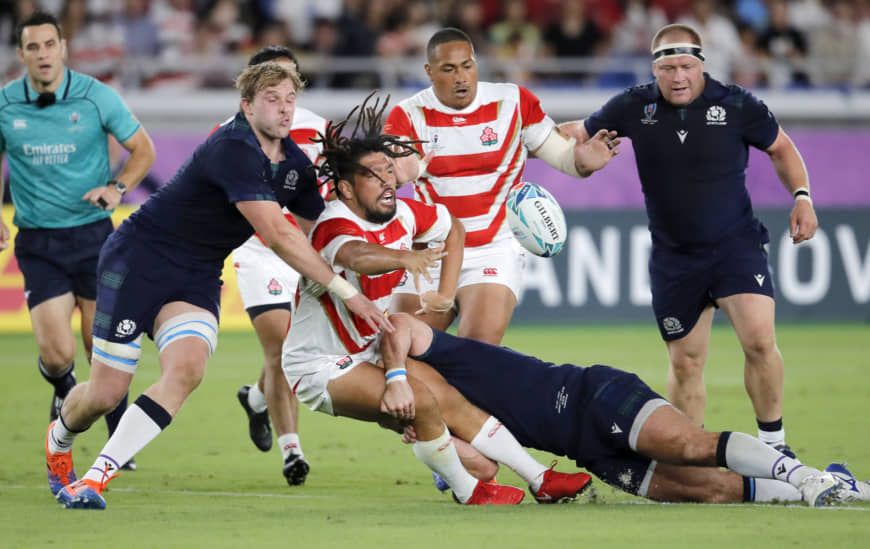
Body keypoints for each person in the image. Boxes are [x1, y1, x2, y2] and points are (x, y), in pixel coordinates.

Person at [46, 61, 391, 510]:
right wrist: (348, 293)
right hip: (138, 260)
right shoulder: (232, 147)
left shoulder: (295, 165)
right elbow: (278, 234)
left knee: (187, 370)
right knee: (105, 392)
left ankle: (94, 479)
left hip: (198, 273)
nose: (285, 109)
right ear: (246, 106)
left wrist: (379, 201)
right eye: (272, 99)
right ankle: (59, 440)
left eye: (290, 99)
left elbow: (316, 230)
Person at [280, 95, 594, 505]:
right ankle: (470, 493)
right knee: (424, 404)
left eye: (390, 170)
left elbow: (455, 229)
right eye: (374, 175)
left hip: (371, 348)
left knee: (452, 403)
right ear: (345, 188)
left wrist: (445, 294)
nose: (388, 181)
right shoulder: (332, 224)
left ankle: (540, 480)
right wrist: (405, 257)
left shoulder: (404, 213)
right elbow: (357, 256)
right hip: (319, 365)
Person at [560, 23, 819, 458]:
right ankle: (689, 455)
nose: (677, 76)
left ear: (702, 65)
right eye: (667, 68)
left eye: (686, 66)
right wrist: (524, 141)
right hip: (674, 258)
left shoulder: (737, 104)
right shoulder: (632, 105)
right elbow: (578, 133)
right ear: (654, 70)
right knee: (686, 363)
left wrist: (803, 197)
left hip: (735, 246)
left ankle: (774, 445)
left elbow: (782, 148)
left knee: (758, 339)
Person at [386, 312, 860, 506]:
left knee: (692, 445)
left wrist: (394, 377)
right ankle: (833, 483)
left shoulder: (430, 353)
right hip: (589, 453)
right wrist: (437, 446)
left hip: (593, 395)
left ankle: (803, 476)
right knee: (713, 492)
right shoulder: (432, 411)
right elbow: (485, 469)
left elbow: (401, 325)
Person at [383, 27, 618, 347]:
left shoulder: (513, 102)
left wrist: (584, 162)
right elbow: (388, 176)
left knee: (477, 353)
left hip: (491, 249)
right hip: (431, 252)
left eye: (467, 66)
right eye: (449, 69)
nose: (461, 77)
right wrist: (401, 173)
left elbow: (564, 158)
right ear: (429, 71)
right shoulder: (408, 115)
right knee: (402, 350)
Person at [0, 11, 155, 470]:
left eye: (50, 45)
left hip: (92, 236)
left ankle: (117, 439)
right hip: (38, 241)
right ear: (21, 54)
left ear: (63, 48)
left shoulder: (95, 96)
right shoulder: (6, 104)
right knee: (56, 354)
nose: (43, 54)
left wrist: (117, 188)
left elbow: (142, 149)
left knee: (100, 348)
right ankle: (66, 399)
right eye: (33, 47)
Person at [229, 45, 328, 487]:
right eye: (270, 86)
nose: (282, 97)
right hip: (259, 251)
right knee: (281, 349)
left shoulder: (320, 130)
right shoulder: (229, 135)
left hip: (306, 252)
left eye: (289, 85)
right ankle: (293, 453)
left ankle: (255, 398)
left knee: (307, 350)